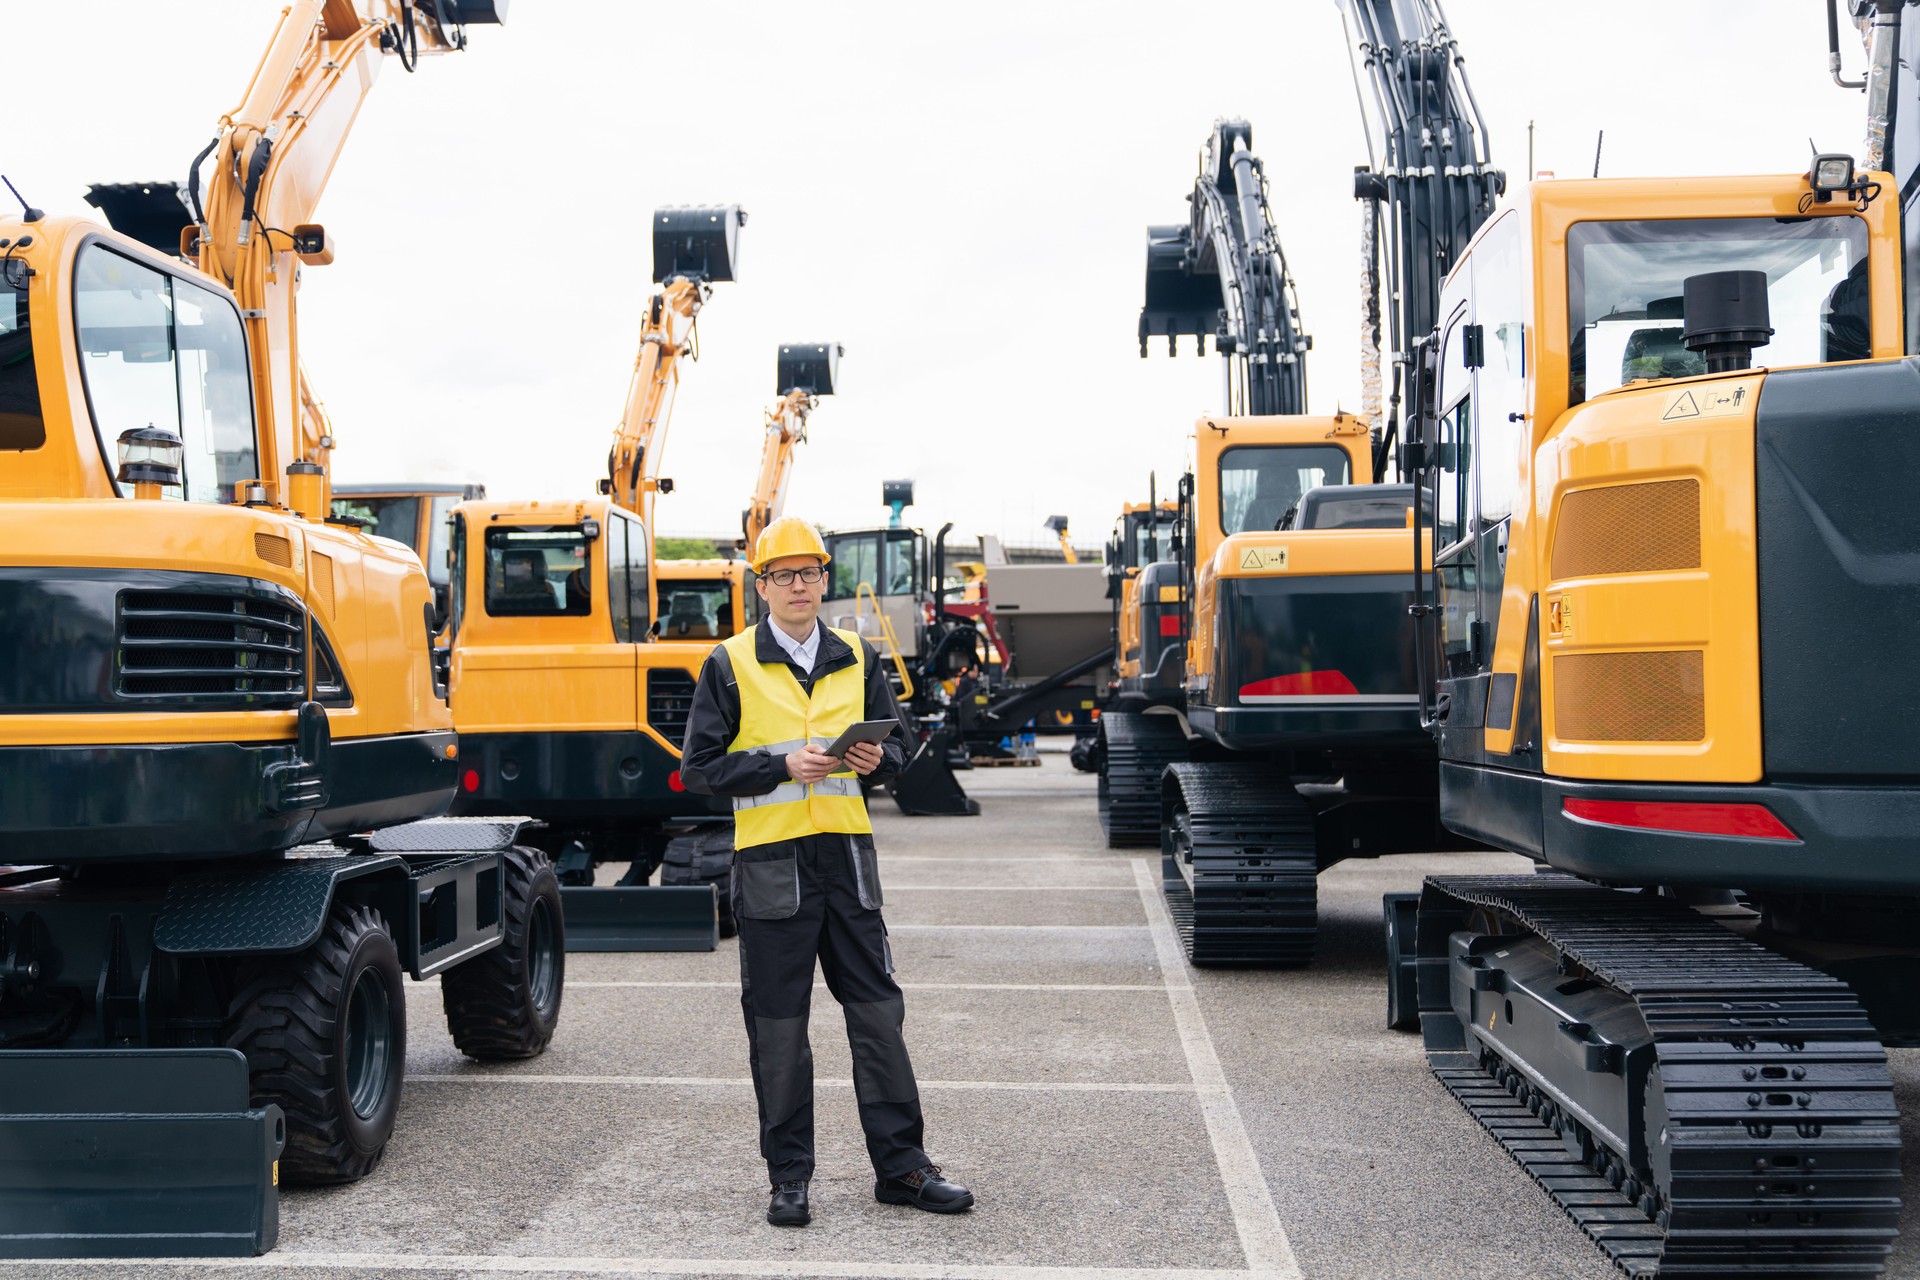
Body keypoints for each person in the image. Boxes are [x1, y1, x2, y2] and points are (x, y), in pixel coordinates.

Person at [679, 516, 974, 1228]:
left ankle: (903, 1168)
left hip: (846, 862)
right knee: (779, 1028)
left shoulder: (856, 655)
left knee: (878, 1017)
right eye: (783, 575)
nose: (799, 585)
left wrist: (881, 761)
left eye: (809, 572)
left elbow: (899, 750)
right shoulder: (729, 663)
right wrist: (779, 764)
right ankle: (789, 1178)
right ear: (762, 586)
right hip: (772, 868)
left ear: (822, 580)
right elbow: (698, 772)